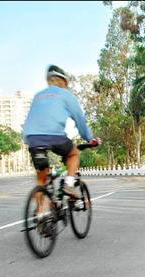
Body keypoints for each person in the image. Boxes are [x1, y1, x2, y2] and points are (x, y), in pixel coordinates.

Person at [22, 65, 100, 198]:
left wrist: (29, 141)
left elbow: (30, 120)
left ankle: (41, 213)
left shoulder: (38, 96)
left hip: (32, 138)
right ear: (63, 81)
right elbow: (80, 121)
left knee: (42, 177)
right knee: (73, 154)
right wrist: (89, 138)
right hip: (54, 136)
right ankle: (69, 185)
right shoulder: (66, 95)